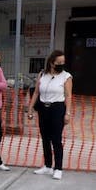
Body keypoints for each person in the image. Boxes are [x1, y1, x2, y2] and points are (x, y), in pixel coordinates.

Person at [26, 50, 72, 181]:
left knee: (56, 139)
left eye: (63, 62)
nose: (61, 64)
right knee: (45, 137)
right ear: (51, 63)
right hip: (43, 108)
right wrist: (30, 109)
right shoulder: (42, 74)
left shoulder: (66, 76)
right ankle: (47, 165)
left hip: (57, 108)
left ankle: (58, 168)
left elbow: (68, 96)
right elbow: (35, 93)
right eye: (59, 62)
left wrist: (67, 113)